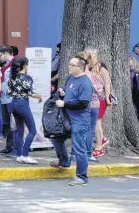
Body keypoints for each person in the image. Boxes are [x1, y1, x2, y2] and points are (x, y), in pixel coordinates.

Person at [50, 55, 93, 186]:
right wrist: (62, 92)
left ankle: (82, 177)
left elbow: (83, 103)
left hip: (79, 119)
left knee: (79, 148)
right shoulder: (70, 78)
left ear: (80, 67)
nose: (69, 67)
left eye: (71, 65)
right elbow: (66, 90)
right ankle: (63, 161)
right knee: (56, 137)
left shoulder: (85, 83)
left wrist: (65, 104)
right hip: (66, 117)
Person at [7, 56, 42, 165]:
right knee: (32, 130)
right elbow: (31, 92)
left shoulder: (12, 77)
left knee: (19, 130)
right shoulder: (27, 77)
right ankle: (25, 155)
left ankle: (19, 155)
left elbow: (9, 92)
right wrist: (39, 96)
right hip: (23, 104)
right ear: (24, 65)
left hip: (13, 103)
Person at [0, 45, 16, 156]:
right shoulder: (4, 66)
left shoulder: (14, 64)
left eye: (0, 56)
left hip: (11, 99)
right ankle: (9, 146)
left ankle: (14, 148)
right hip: (4, 99)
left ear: (6, 53)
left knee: (13, 125)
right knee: (7, 124)